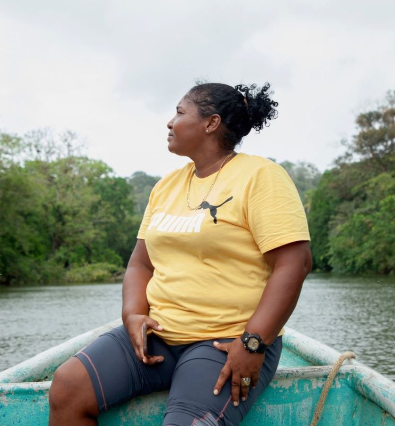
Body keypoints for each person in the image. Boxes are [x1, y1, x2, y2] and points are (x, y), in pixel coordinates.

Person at [48, 82, 312, 426]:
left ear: (211, 123)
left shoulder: (261, 176)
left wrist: (253, 344)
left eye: (179, 112)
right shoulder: (166, 186)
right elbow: (140, 263)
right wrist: (133, 315)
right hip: (158, 336)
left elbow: (295, 263)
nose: (170, 122)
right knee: (67, 386)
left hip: (225, 341)